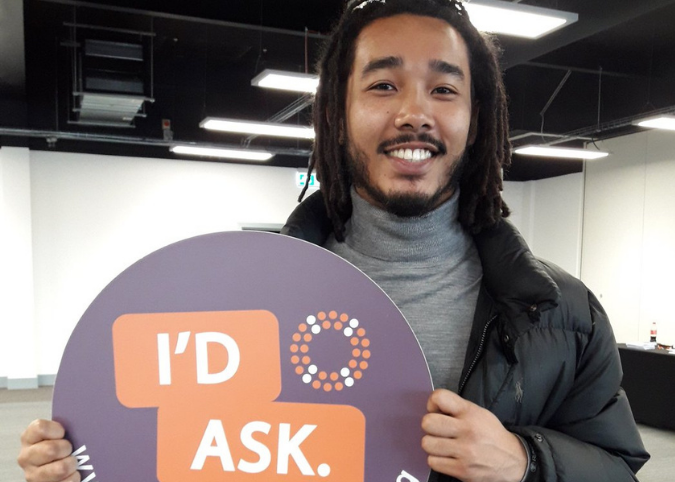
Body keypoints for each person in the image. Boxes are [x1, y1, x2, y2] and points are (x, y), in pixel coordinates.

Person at [18, 1, 649, 481]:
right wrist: (90, 460)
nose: (414, 112)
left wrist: (526, 460)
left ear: (475, 119)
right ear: (336, 114)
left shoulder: (561, 311)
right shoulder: (244, 297)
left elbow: (619, 464)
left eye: (445, 88)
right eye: (382, 84)